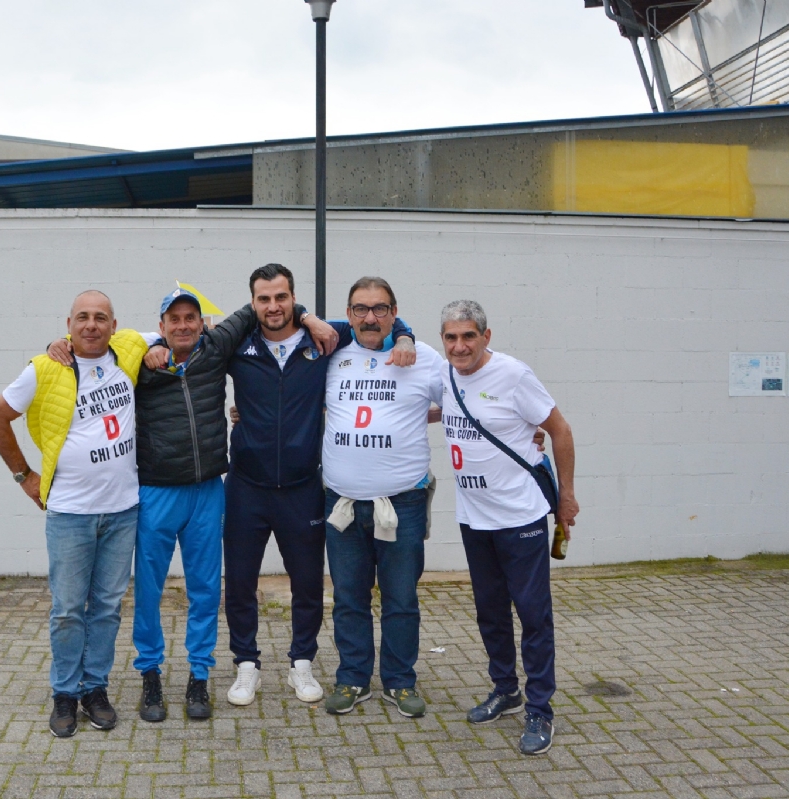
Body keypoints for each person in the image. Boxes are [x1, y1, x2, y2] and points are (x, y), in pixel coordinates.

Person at [46, 286, 341, 718]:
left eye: (191, 318)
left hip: (208, 491)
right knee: (149, 592)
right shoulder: (136, 362)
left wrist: (306, 313)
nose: (183, 326)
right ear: (161, 326)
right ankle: (150, 675)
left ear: (202, 323)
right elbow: (94, 345)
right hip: (156, 494)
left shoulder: (217, 348)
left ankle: (199, 677)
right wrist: (61, 344)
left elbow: (258, 306)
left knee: (205, 591)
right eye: (174, 320)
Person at [222, 265, 417, 707]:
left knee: (308, 582)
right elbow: (178, 337)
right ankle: (246, 665)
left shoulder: (326, 339)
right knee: (239, 582)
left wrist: (403, 338)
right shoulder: (238, 344)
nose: (274, 307)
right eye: (264, 299)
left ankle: (301, 664)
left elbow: (382, 319)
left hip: (302, 486)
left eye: (282, 297)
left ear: (294, 298)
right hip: (246, 486)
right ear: (253, 303)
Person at [0, 290, 148, 739]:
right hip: (70, 513)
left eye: (100, 318)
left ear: (115, 325)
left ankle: (95, 689)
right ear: (68, 325)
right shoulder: (44, 368)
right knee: (69, 610)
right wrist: (24, 476)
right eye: (82, 318)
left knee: (108, 608)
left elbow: (191, 326)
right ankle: (64, 693)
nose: (91, 325)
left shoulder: (130, 348)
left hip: (122, 511)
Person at [438, 299, 578, 756]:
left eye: (468, 336)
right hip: (473, 517)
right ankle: (506, 690)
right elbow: (431, 411)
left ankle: (540, 707)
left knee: (533, 614)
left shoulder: (515, 375)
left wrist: (566, 496)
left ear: (486, 336)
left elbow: (559, 429)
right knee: (490, 611)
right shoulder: (444, 374)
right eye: (451, 337)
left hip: (520, 518)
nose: (459, 346)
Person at [319, 277, 444, 719]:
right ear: (347, 314)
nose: (370, 318)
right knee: (349, 597)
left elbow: (462, 404)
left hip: (402, 504)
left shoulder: (423, 358)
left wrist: (523, 429)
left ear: (395, 311)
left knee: (400, 597)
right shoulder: (329, 355)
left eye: (380, 309)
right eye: (360, 309)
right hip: (344, 505)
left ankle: (400, 681)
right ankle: (353, 677)